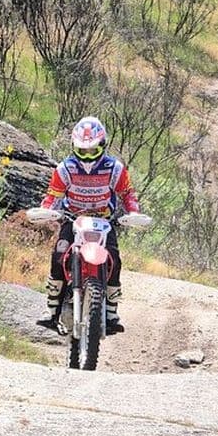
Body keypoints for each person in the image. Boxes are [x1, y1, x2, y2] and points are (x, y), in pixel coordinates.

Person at [35, 116, 141, 335]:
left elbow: (127, 193)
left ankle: (111, 312)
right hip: (72, 219)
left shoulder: (115, 169)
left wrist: (134, 213)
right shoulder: (64, 169)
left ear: (102, 146)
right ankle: (52, 311)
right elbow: (52, 196)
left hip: (104, 222)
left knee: (115, 260)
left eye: (92, 150)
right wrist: (46, 210)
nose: (87, 156)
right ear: (74, 147)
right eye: (82, 150)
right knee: (59, 255)